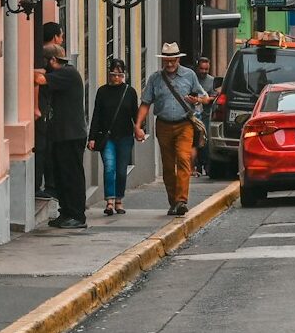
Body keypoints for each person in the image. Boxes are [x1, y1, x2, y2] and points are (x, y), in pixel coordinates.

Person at [136, 41, 212, 217]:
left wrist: (197, 100)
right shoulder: (155, 79)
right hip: (163, 125)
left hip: (184, 124)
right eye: (166, 60)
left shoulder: (189, 75)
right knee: (169, 167)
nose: (169, 64)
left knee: (184, 159)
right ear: (163, 60)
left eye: (173, 60)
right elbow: (145, 103)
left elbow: (205, 97)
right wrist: (138, 126)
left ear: (178, 59)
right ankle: (173, 201)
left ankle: (181, 200)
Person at [40, 42, 88, 230]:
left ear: (52, 60)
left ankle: (77, 215)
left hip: (71, 135)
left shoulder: (68, 73)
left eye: (44, 61)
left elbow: (41, 80)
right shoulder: (62, 74)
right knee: (61, 176)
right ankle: (66, 212)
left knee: (72, 176)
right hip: (61, 135)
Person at [88, 57, 139, 215]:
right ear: (108, 74)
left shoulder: (129, 92)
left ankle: (119, 200)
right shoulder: (102, 92)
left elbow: (135, 115)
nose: (116, 78)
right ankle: (109, 201)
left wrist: (139, 129)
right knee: (110, 168)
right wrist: (92, 137)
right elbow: (96, 115)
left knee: (122, 170)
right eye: (113, 74)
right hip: (107, 137)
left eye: (119, 75)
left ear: (124, 75)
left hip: (125, 137)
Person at [32, 20, 63, 199]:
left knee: (46, 147)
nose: (61, 40)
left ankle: (47, 185)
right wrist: (37, 107)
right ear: (54, 37)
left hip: (45, 108)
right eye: (60, 36)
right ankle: (44, 185)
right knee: (44, 147)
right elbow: (38, 79)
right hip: (43, 109)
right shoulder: (46, 59)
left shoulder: (39, 55)